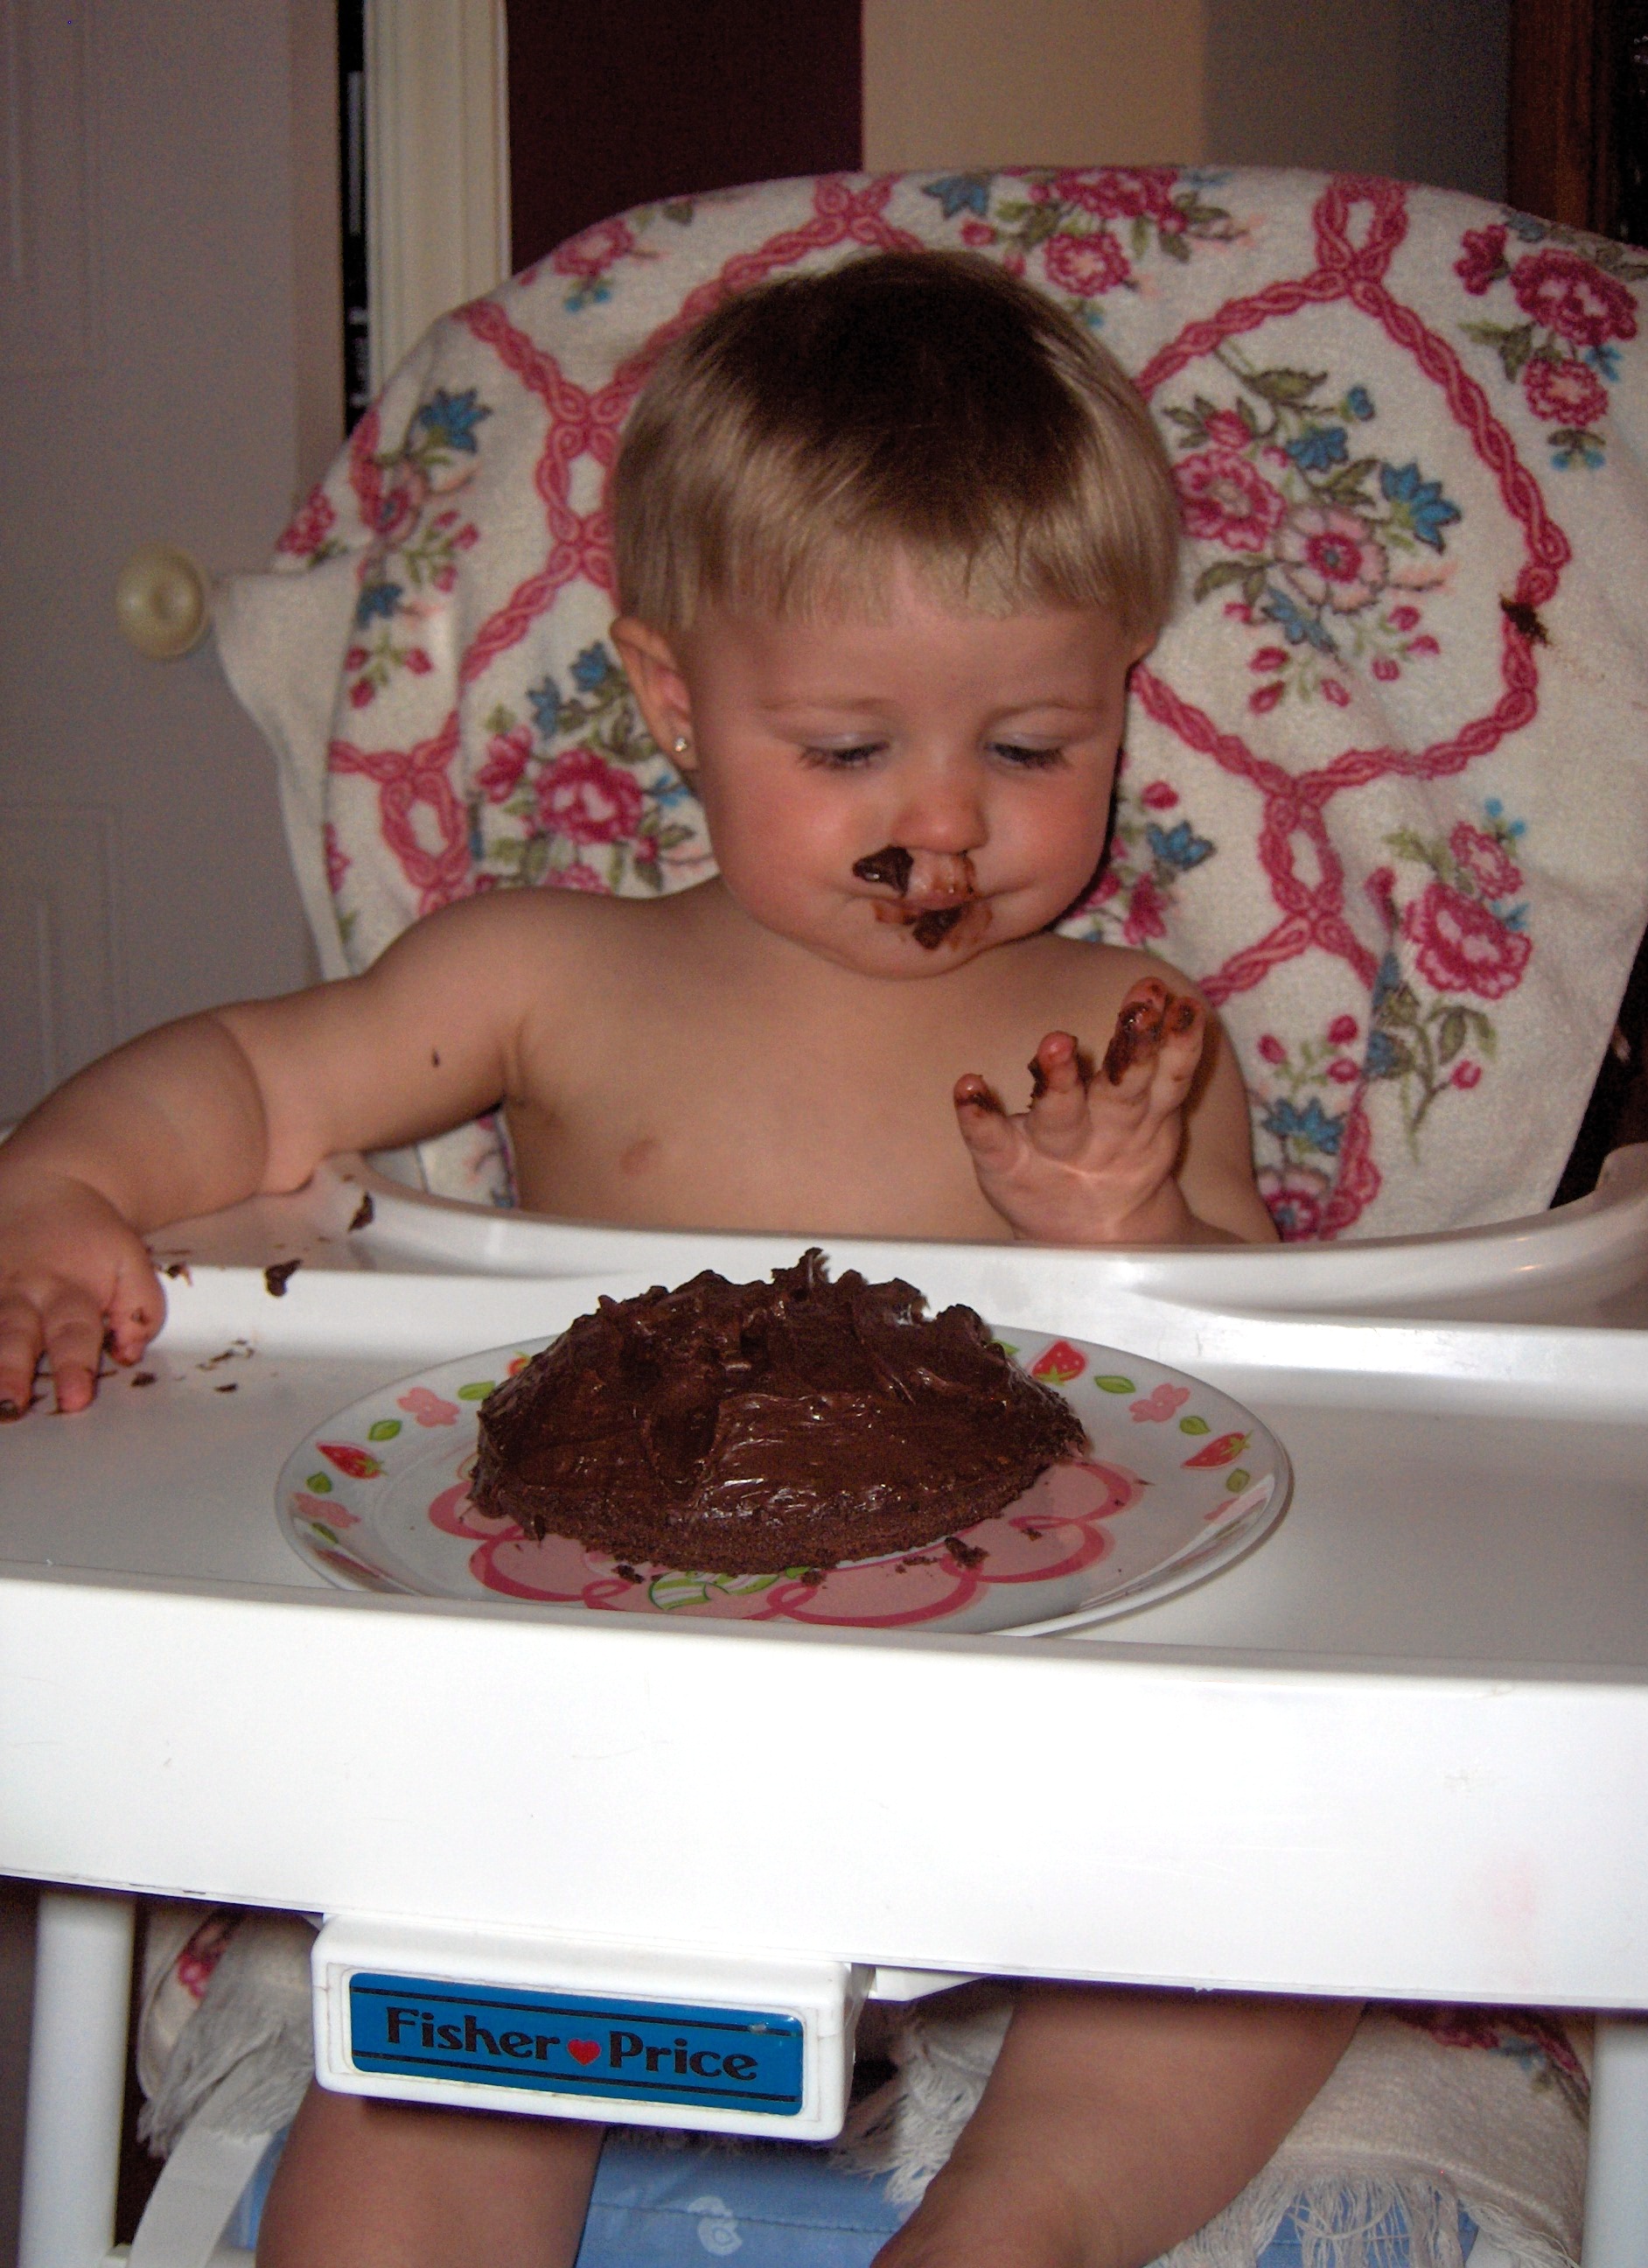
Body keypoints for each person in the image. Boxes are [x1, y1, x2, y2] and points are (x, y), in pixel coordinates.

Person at [0, 250, 1356, 2266]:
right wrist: (56, 1182)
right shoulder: (548, 974)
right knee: (443, 2052)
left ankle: (1019, 2217)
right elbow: (258, 1082)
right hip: (594, 1740)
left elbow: (1261, 1392)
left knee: (1284, 1897)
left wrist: (1134, 1227)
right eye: (845, 751)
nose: (940, 826)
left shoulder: (1124, 1038)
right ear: (670, 698)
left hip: (1033, 1721)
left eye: (1028, 748)